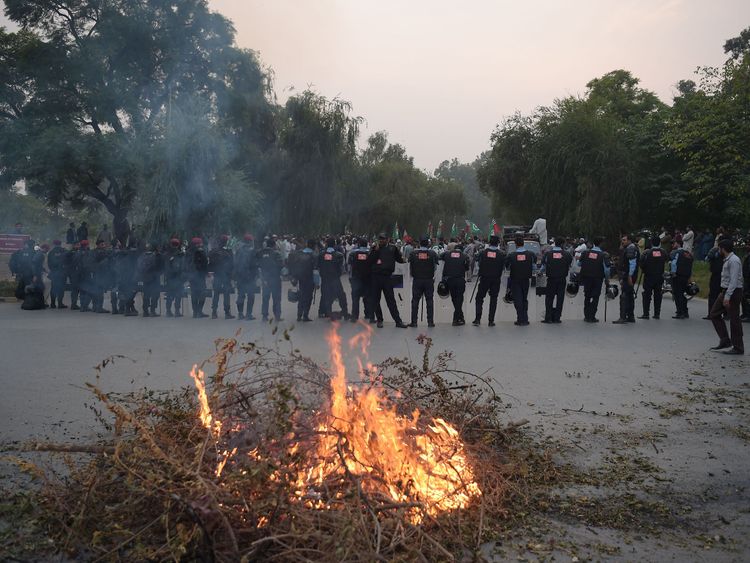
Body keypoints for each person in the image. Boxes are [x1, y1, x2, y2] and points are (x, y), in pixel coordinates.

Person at [709, 239, 744, 355]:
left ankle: (738, 347)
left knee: (734, 319)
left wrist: (727, 297)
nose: (719, 250)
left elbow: (734, 280)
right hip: (725, 291)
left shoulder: (734, 261)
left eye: (719, 248)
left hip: (733, 292)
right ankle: (725, 340)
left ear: (723, 248)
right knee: (714, 314)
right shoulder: (727, 259)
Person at [370, 234, 408, 328]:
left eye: (383, 239)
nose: (381, 241)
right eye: (380, 239)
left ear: (387, 239)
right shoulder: (375, 248)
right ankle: (379, 320)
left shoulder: (393, 248)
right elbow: (370, 260)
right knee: (375, 300)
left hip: (387, 278)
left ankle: (398, 321)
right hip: (376, 277)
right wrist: (375, 250)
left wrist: (406, 260)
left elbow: (399, 259)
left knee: (391, 300)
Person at [472, 235, 505, 326]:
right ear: (498, 243)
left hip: (484, 278)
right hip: (495, 279)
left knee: (479, 298)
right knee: (493, 299)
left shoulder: (483, 252)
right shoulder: (501, 254)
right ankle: (491, 321)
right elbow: (503, 267)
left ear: (489, 243)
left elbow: (477, 260)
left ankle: (478, 319)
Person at [540, 237, 572, 324]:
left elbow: (543, 266)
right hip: (562, 279)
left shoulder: (548, 254)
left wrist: (540, 272)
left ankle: (548, 318)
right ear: (562, 244)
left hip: (551, 279)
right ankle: (557, 318)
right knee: (560, 298)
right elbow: (570, 265)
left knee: (549, 298)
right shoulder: (567, 254)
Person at [578, 236, 610, 323]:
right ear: (601, 244)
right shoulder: (604, 255)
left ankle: (586, 315)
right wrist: (607, 279)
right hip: (597, 279)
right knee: (595, 297)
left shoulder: (585, 253)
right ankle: (592, 316)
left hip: (587, 278)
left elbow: (579, 264)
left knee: (587, 296)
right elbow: (607, 269)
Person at [408, 237, 438, 328]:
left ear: (420, 243)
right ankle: (430, 322)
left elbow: (410, 265)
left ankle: (414, 322)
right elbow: (436, 267)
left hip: (417, 280)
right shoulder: (432, 253)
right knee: (429, 300)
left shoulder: (413, 253)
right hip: (428, 280)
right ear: (428, 244)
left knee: (415, 300)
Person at [506, 235, 535, 325]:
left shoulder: (511, 255)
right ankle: (525, 318)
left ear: (515, 244)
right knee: (524, 299)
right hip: (526, 280)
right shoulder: (530, 254)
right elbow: (534, 265)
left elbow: (507, 267)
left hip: (515, 280)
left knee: (518, 299)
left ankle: (520, 319)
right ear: (523, 244)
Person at [318, 237, 349, 320]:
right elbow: (341, 268)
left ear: (326, 244)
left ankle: (323, 312)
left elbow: (318, 266)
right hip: (335, 278)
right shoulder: (339, 255)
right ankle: (345, 313)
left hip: (325, 278)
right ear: (335, 244)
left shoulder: (321, 254)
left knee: (325, 295)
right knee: (341, 295)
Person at [440, 242, 470, 326]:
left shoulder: (447, 254)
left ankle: (461, 317)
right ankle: (456, 319)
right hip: (460, 280)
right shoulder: (464, 256)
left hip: (449, 280)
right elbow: (467, 268)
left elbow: (440, 256)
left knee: (454, 298)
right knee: (459, 299)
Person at [638, 236, 667, 319]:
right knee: (658, 295)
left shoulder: (647, 252)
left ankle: (646, 314)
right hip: (659, 276)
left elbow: (641, 263)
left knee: (647, 295)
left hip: (649, 276)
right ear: (660, 243)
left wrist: (644, 269)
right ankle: (657, 314)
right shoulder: (663, 252)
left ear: (651, 243)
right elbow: (666, 259)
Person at [612, 234, 639, 324]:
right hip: (628, 275)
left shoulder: (631, 248)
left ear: (629, 240)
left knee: (624, 295)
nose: (622, 242)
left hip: (628, 276)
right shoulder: (629, 248)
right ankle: (630, 316)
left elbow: (632, 263)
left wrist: (630, 276)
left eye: (624, 240)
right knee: (629, 295)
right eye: (622, 240)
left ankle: (623, 317)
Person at [288, 239, 316, 322]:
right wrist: (317, 282)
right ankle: (305, 315)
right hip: (309, 279)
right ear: (314, 246)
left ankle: (299, 315)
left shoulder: (300, 253)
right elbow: (316, 270)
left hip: (301, 279)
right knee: (308, 297)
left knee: (301, 296)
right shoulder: (313, 255)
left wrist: (294, 277)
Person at [348, 238, 374, 323]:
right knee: (368, 297)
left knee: (355, 297)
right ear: (366, 244)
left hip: (356, 278)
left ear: (359, 244)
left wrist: (350, 277)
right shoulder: (370, 252)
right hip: (368, 278)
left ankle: (354, 316)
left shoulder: (352, 253)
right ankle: (369, 314)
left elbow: (349, 266)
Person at [257, 237, 283, 322]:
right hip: (275, 279)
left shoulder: (260, 253)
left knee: (265, 297)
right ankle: (277, 316)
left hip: (265, 278)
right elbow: (280, 265)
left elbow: (257, 264)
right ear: (274, 245)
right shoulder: (276, 253)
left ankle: (264, 316)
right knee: (276, 298)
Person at [209, 235, 234, 319]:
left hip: (217, 275)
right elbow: (232, 264)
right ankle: (227, 313)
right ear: (226, 241)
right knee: (226, 294)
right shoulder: (228, 251)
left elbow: (210, 264)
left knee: (216, 293)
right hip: (226, 275)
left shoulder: (213, 251)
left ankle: (214, 312)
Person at [234, 234, 258, 320]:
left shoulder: (239, 250)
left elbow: (235, 264)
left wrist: (236, 276)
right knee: (251, 296)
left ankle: (240, 314)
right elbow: (255, 264)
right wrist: (256, 276)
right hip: (250, 277)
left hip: (240, 276)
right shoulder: (252, 251)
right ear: (250, 241)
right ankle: (248, 314)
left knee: (241, 295)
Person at [670, 237, 693, 319]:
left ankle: (680, 312)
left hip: (677, 276)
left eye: (673, 243)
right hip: (686, 276)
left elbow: (673, 264)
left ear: (678, 243)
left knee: (677, 294)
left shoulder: (676, 253)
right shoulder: (688, 254)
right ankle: (685, 311)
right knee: (682, 294)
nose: (672, 245)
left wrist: (673, 273)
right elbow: (690, 266)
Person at [136, 243, 162, 317]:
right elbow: (158, 267)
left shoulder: (142, 256)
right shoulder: (155, 256)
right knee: (155, 294)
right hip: (154, 277)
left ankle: (145, 311)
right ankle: (153, 311)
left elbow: (138, 266)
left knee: (146, 294)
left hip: (145, 277)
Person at [187, 237, 209, 318]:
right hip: (199, 276)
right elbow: (205, 263)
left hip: (191, 276)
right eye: (200, 243)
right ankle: (199, 311)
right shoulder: (201, 252)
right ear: (198, 244)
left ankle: (195, 312)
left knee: (194, 294)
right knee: (202, 293)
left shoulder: (188, 252)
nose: (202, 244)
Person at [164, 238, 185, 317]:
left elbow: (165, 267)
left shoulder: (167, 254)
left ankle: (168, 311)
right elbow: (182, 266)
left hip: (170, 278)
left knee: (170, 294)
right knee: (178, 294)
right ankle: (177, 311)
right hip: (178, 277)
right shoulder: (180, 254)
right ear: (178, 245)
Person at [47, 240, 67, 308]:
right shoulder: (64, 251)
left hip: (54, 273)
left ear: (54, 244)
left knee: (53, 288)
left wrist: (53, 269)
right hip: (62, 273)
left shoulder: (51, 252)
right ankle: (60, 304)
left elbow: (49, 263)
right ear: (60, 244)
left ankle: (52, 304)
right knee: (61, 288)